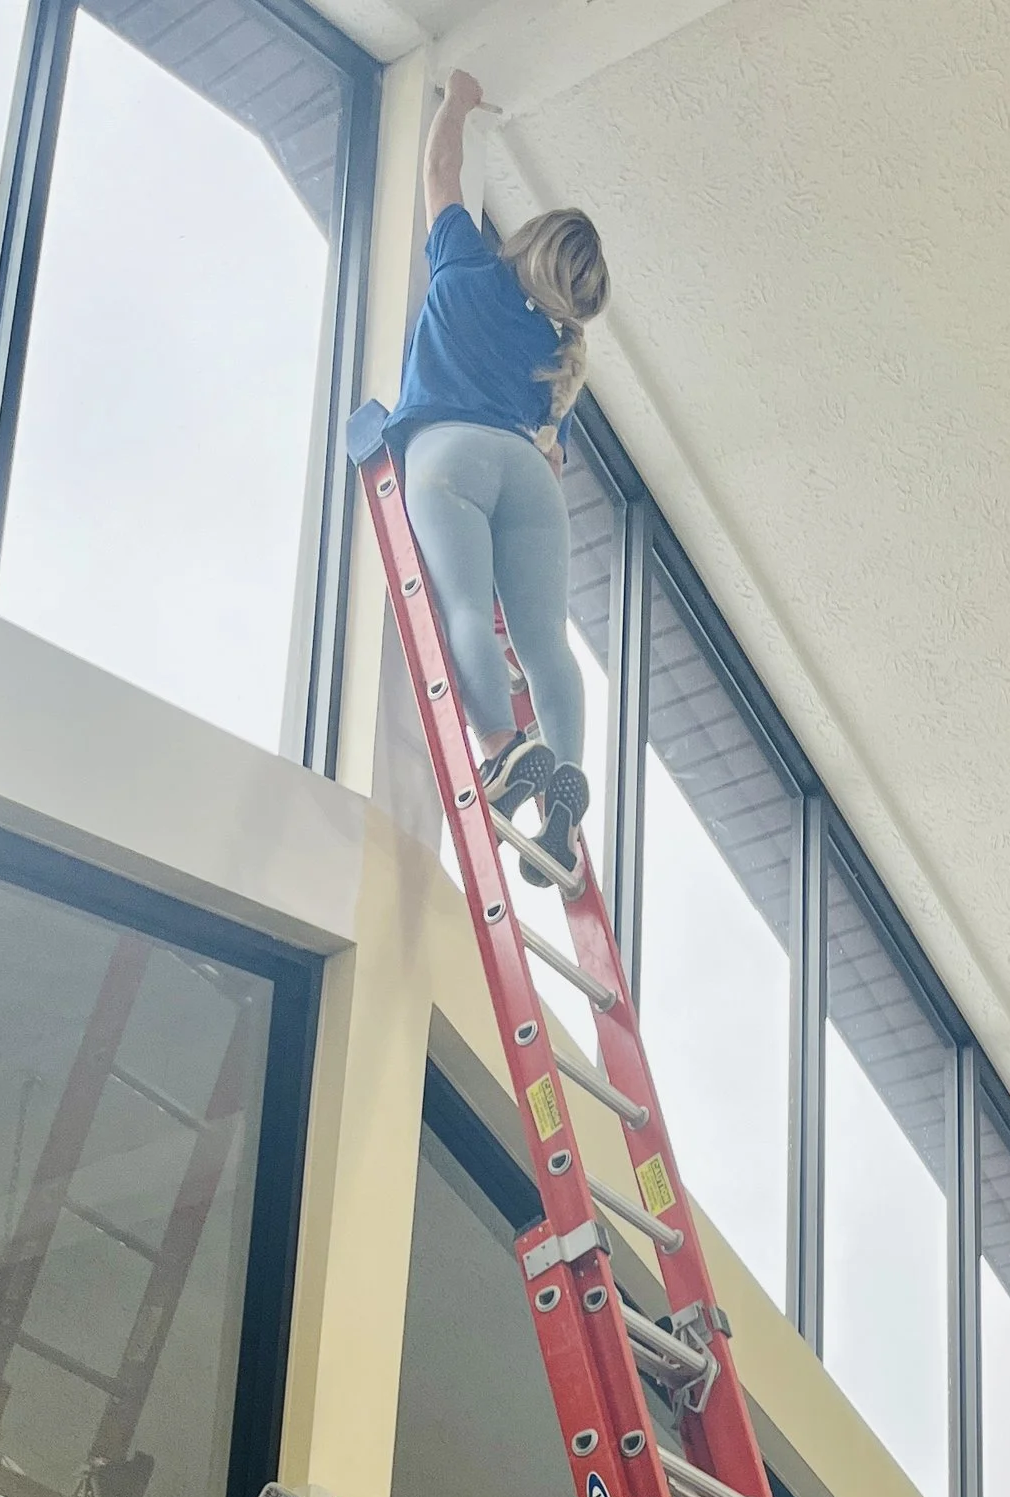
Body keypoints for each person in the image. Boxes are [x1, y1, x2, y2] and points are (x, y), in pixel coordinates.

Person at [388, 69, 610, 887]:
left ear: (528, 240)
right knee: (546, 643)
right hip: (529, 476)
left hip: (449, 456)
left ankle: (505, 751)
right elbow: (549, 453)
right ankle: (566, 796)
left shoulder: (467, 264)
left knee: (466, 617)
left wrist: (459, 101)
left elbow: (440, 171)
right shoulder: (555, 355)